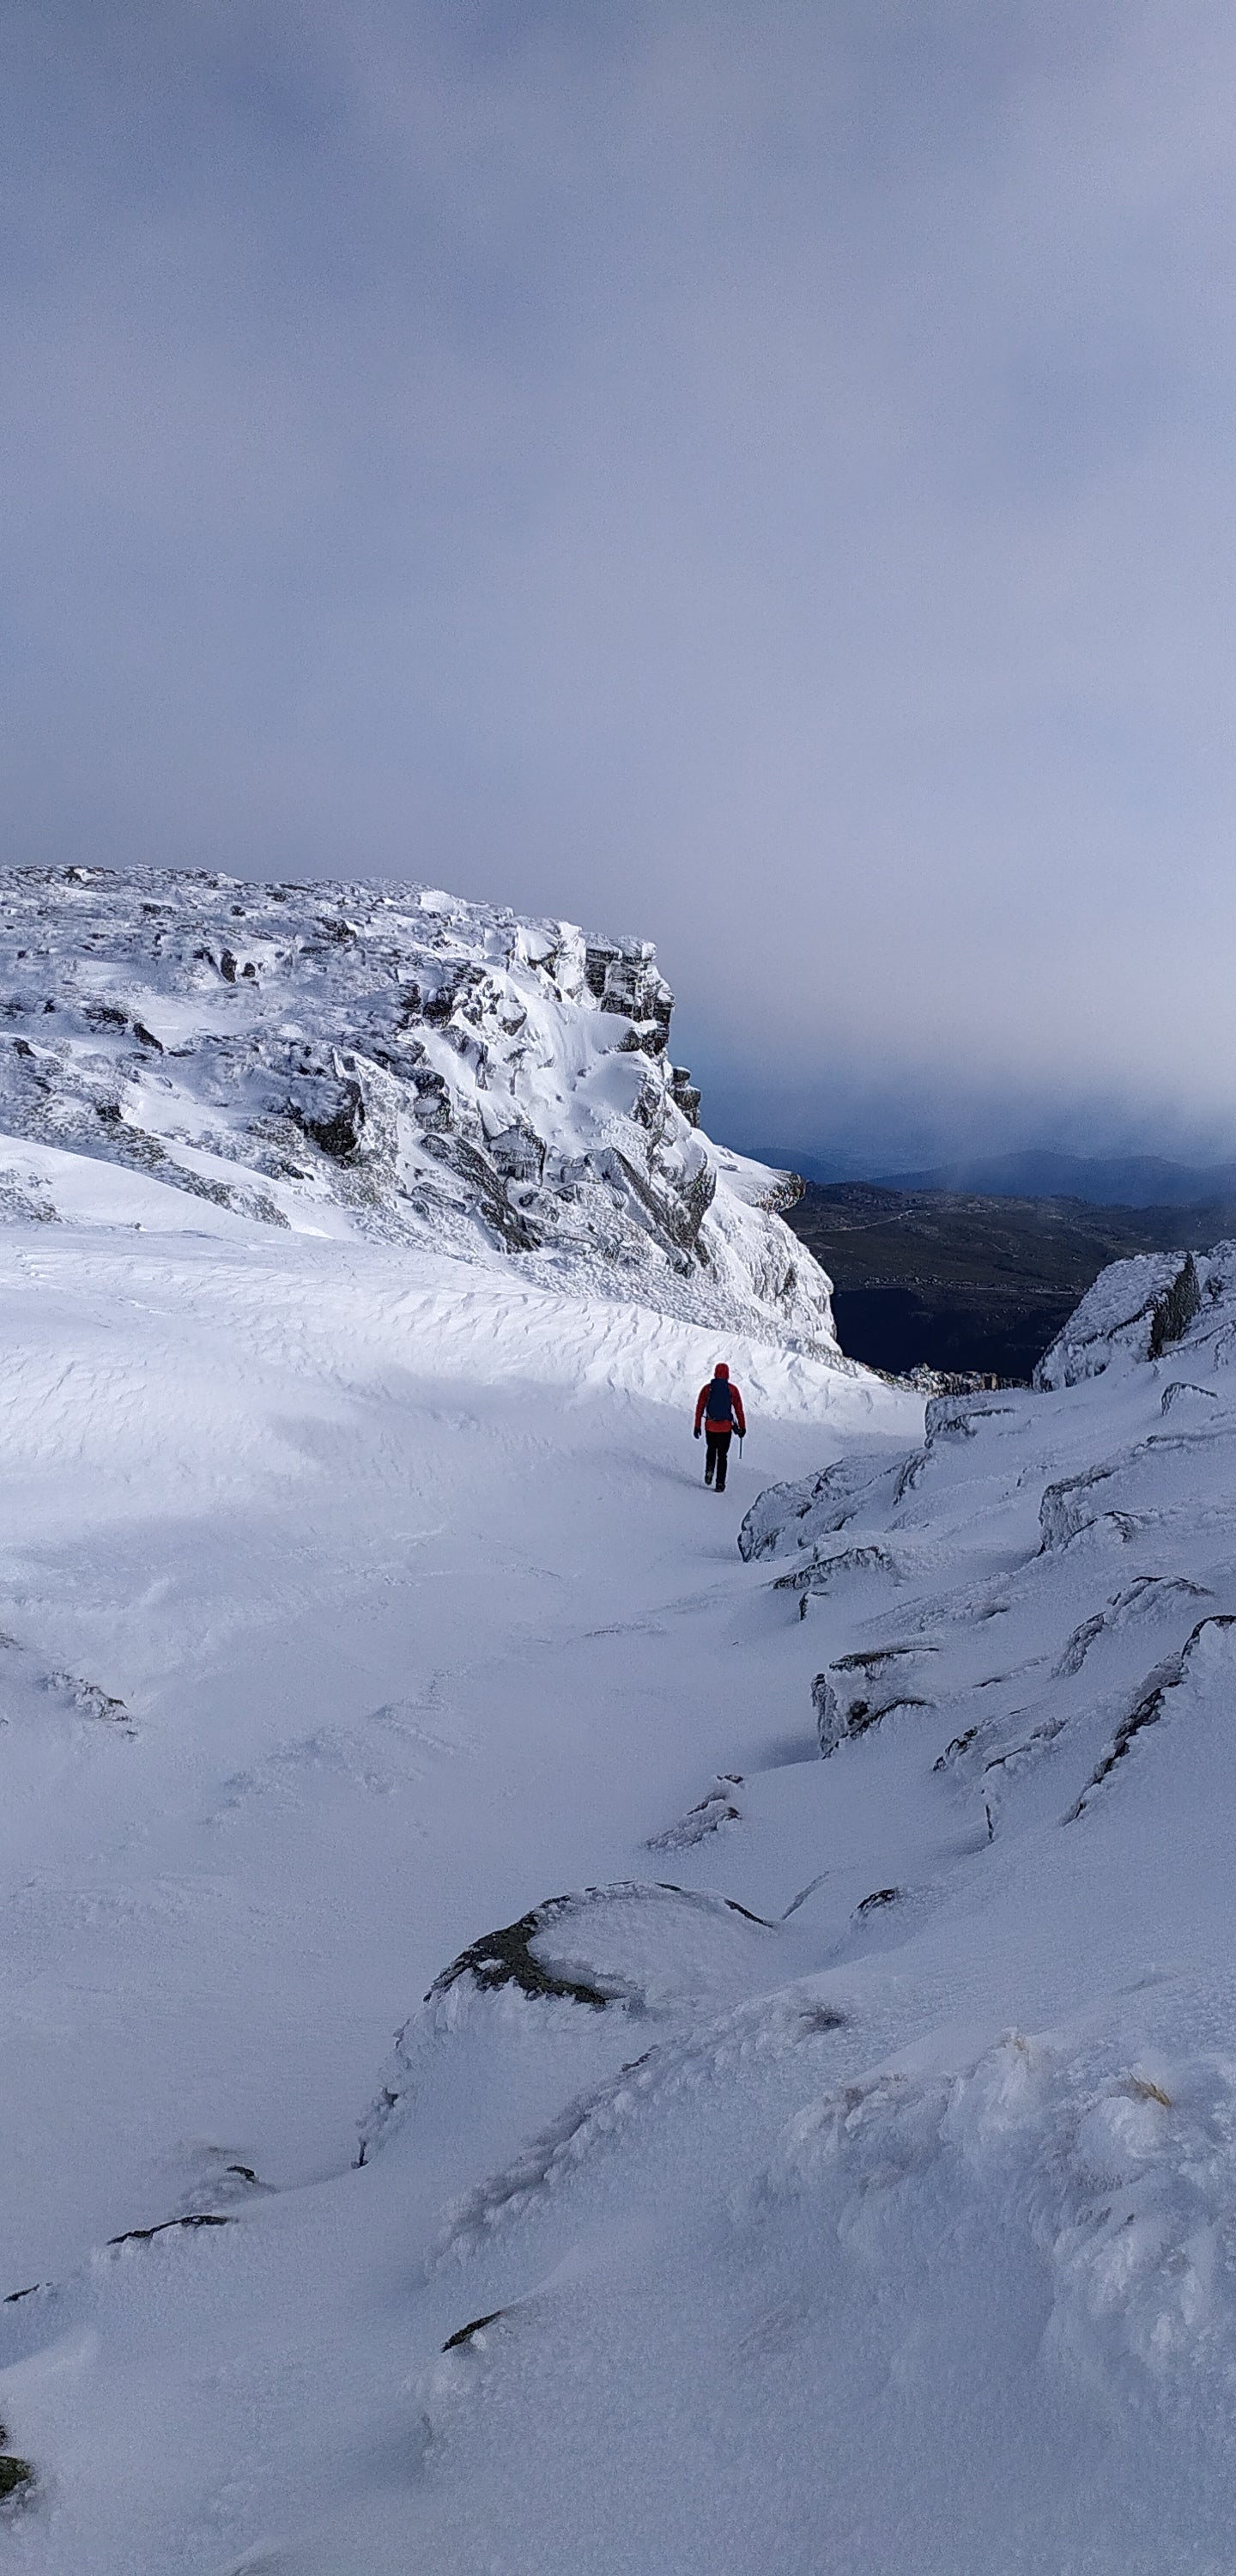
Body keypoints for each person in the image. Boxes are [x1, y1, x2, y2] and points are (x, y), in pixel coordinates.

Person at [694, 1362, 746, 1492]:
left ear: (715, 1373)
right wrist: (742, 1427)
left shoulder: (707, 1389)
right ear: (728, 1374)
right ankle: (720, 1483)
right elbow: (739, 1409)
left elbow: (700, 1408)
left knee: (711, 1449)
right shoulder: (732, 1390)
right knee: (722, 1455)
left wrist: (697, 1425)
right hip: (725, 1428)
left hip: (710, 1426)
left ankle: (709, 1471)